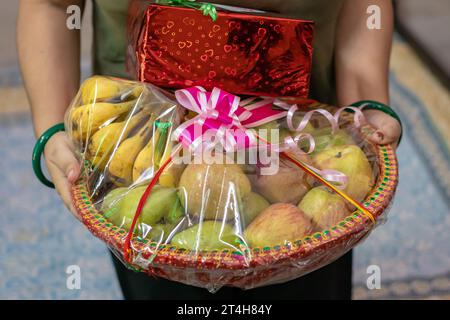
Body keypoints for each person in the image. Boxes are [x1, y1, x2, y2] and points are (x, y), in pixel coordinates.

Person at [17, 0, 401, 299]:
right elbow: (51, 5)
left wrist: (366, 104)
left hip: (307, 148)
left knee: (308, 287)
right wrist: (52, 129)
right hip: (142, 152)